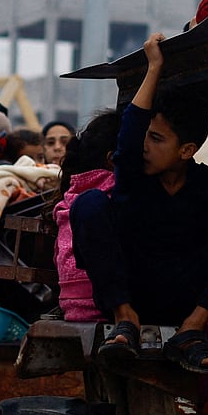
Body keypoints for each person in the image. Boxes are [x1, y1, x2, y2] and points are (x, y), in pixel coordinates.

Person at [70, 33, 208, 374]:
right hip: (131, 290)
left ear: (187, 150)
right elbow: (129, 135)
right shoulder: (135, 177)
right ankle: (125, 320)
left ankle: (191, 329)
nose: (145, 146)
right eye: (146, 137)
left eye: (156, 139)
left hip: (186, 297)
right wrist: (154, 66)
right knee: (90, 204)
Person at [52, 110, 119, 322]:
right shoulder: (113, 191)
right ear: (112, 159)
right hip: (103, 305)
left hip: (71, 305)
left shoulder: (70, 194)